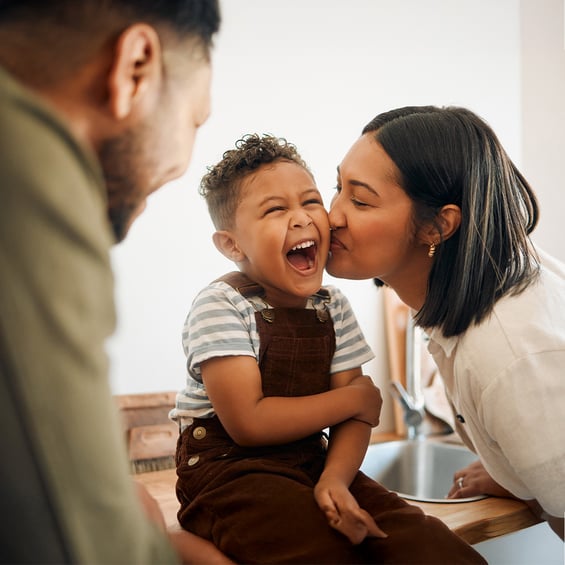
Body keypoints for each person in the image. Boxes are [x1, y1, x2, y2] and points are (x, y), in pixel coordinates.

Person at [169, 133, 486, 563]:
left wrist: (335, 479)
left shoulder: (331, 305)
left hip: (312, 463)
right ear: (232, 245)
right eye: (276, 209)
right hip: (228, 472)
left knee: (427, 545)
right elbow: (250, 421)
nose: (301, 218)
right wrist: (350, 397)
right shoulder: (221, 305)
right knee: (328, 552)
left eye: (310, 201)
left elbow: (358, 417)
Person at [0, 1, 234, 563]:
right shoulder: (31, 176)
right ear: (134, 67)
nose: (183, 162)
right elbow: (76, 541)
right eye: (195, 119)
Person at [326, 104, 565, 540]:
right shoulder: (494, 280)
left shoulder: (505, 353)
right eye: (337, 188)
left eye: (359, 200)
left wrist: (527, 484)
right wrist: (515, 474)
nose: (332, 215)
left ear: (437, 227)